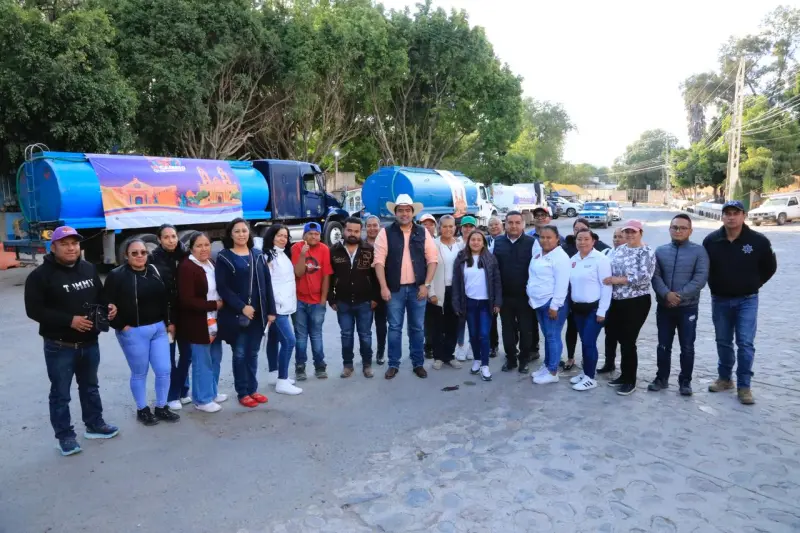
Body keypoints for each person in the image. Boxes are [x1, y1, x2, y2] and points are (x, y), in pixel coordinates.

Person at [24, 226, 120, 456]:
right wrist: (69, 321)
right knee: (61, 393)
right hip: (60, 346)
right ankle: (65, 436)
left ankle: (95, 424)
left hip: (89, 343)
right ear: (53, 247)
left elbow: (100, 295)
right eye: (65, 244)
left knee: (90, 387)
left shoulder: (88, 268)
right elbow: (34, 310)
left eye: (74, 243)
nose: (71, 248)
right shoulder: (39, 276)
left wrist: (109, 306)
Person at [703, 200, 777, 405]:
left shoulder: (758, 241)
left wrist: (753, 283)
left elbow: (769, 267)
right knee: (723, 341)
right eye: (727, 213)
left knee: (745, 343)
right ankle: (725, 379)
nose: (731, 217)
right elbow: (704, 268)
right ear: (722, 216)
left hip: (747, 300)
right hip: (720, 300)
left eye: (736, 213)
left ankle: (744, 386)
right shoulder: (711, 241)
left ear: (743, 215)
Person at [105, 239, 180, 425]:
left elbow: (166, 299)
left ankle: (162, 407)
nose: (140, 256)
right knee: (140, 372)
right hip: (133, 331)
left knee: (164, 370)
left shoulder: (154, 271)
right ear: (126, 255)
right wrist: (122, 326)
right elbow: (106, 304)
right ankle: (142, 409)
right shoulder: (116, 275)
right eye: (134, 253)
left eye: (143, 252)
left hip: (158, 329)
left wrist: (168, 322)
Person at [373, 194, 438, 379]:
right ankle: (393, 363)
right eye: (400, 210)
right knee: (394, 328)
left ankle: (418, 363)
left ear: (412, 212)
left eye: (407, 210)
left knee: (417, 328)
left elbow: (432, 260)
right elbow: (379, 262)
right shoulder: (385, 233)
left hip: (418, 288)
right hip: (394, 290)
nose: (404, 213)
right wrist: (383, 287)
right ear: (395, 212)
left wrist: (426, 285)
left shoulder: (422, 232)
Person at [216, 218, 276, 408]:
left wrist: (271, 311)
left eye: (244, 231)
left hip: (259, 315)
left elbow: (267, 285)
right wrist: (242, 306)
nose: (241, 234)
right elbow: (223, 288)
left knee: (253, 353)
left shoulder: (258, 255)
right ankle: (242, 392)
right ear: (230, 234)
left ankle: (253, 389)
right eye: (237, 231)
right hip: (237, 315)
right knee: (240, 353)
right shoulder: (224, 257)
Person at [647, 214, 709, 397]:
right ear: (669, 229)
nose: (678, 231)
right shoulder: (660, 251)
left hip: (688, 307)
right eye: (675, 227)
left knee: (687, 347)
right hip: (665, 306)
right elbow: (655, 276)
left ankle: (685, 381)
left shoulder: (699, 252)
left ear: (690, 230)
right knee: (663, 345)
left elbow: (700, 278)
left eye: (683, 228)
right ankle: (661, 378)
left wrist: (679, 296)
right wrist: (666, 294)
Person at [603, 220, 656, 396]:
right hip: (617, 300)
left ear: (640, 232)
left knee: (628, 341)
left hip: (636, 301)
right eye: (626, 232)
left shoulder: (646, 252)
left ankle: (630, 380)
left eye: (633, 232)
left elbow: (644, 277)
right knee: (619, 338)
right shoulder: (620, 249)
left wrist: (618, 280)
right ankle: (623, 375)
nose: (629, 235)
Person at [177, 232, 225, 413]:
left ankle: (212, 392)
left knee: (215, 357)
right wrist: (215, 304)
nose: (204, 249)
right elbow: (187, 300)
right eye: (199, 245)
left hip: (215, 319)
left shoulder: (210, 263)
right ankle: (202, 399)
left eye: (206, 245)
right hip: (198, 322)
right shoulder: (187, 267)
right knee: (201, 360)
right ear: (191, 248)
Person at [329, 217, 380, 378]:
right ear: (344, 230)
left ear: (361, 232)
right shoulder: (334, 250)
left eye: (356, 231)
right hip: (343, 302)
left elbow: (376, 276)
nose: (352, 234)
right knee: (346, 335)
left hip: (364, 301)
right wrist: (332, 298)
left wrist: (375, 298)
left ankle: (367, 365)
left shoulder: (369, 250)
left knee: (365, 335)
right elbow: (329, 276)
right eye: (349, 230)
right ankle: (348, 365)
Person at [149, 225, 192, 410]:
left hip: (186, 314)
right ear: (159, 239)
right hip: (167, 316)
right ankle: (172, 394)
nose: (171, 240)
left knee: (187, 354)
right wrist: (168, 321)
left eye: (173, 236)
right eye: (166, 237)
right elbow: (159, 294)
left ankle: (183, 390)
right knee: (169, 357)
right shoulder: (153, 260)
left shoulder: (185, 255)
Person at [451, 231, 502, 382]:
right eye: (473, 239)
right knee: (473, 334)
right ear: (469, 242)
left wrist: (497, 302)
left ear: (483, 242)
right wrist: (456, 303)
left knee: (484, 334)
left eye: (479, 240)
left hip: (486, 303)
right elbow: (456, 282)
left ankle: (485, 365)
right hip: (469, 302)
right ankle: (477, 360)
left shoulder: (490, 258)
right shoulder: (461, 257)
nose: (476, 242)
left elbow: (497, 282)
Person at [561, 218, 610, 371]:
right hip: (577, 309)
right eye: (579, 239)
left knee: (589, 342)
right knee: (584, 341)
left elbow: (606, 287)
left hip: (594, 310)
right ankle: (585, 373)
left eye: (586, 239)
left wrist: (602, 311)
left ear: (593, 241)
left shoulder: (600, 259)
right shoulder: (573, 260)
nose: (582, 242)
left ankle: (590, 376)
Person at [493, 211, 536, 374]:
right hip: (505, 296)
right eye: (510, 222)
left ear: (523, 224)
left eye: (517, 222)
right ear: (505, 224)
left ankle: (524, 360)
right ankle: (511, 359)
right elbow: (492, 268)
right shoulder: (497, 243)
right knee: (507, 330)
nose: (514, 226)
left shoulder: (532, 243)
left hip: (525, 297)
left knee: (526, 330)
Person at [527, 225, 571, 384]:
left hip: (552, 303)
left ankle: (553, 372)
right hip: (539, 302)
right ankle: (547, 365)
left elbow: (562, 284)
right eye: (542, 237)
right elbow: (532, 276)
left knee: (553, 336)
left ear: (557, 239)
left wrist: (555, 306)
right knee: (547, 336)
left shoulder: (560, 257)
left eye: (548, 237)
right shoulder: (538, 254)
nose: (544, 240)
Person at [264, 225, 303, 395]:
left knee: (273, 339)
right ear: (272, 236)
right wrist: (273, 305)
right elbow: (266, 284)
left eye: (285, 236)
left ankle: (275, 373)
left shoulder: (283, 254)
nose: (283, 239)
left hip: (285, 305)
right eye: (279, 235)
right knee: (289, 341)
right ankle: (282, 380)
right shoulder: (268, 256)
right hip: (276, 308)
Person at [292, 222, 333, 380]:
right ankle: (300, 367)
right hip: (299, 300)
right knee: (300, 335)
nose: (313, 236)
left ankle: (320, 365)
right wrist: (303, 254)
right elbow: (299, 273)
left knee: (316, 334)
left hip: (317, 301)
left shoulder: (324, 249)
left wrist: (323, 298)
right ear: (304, 236)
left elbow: (326, 275)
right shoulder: (297, 248)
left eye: (316, 234)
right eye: (310, 234)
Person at [428, 215, 465, 370]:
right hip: (438, 290)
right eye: (445, 226)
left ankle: (449, 355)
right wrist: (431, 292)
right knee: (437, 325)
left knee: (454, 324)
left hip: (456, 291)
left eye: (451, 226)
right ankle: (438, 357)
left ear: (455, 228)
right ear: (439, 228)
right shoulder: (433, 245)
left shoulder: (461, 245)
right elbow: (428, 269)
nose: (448, 229)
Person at [598, 228, 626, 374]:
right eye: (615, 236)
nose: (616, 239)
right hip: (608, 300)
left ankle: (625, 368)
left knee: (624, 336)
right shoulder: (606, 253)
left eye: (620, 237)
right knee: (609, 334)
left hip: (624, 300)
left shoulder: (629, 254)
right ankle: (609, 363)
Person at [454, 215, 478, 361]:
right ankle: (461, 346)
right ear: (461, 228)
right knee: (461, 321)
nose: (468, 229)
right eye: (465, 226)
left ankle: (471, 347)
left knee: (474, 321)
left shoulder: (479, 242)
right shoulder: (456, 243)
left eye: (470, 226)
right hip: (460, 287)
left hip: (474, 288)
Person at [365, 215, 387, 365]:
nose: (372, 228)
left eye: (375, 225)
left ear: (380, 227)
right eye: (369, 225)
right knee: (365, 328)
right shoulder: (360, 245)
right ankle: (367, 354)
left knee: (381, 325)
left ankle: (380, 352)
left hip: (381, 292)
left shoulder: (385, 244)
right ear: (365, 227)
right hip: (364, 293)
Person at [420, 213, 438, 359]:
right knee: (424, 320)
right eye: (424, 224)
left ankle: (435, 345)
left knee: (435, 319)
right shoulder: (416, 243)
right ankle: (428, 346)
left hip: (437, 288)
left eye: (430, 224)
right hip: (421, 287)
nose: (427, 226)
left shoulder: (438, 243)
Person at [486, 217, 504, 358]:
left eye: (496, 224)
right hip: (490, 285)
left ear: (502, 225)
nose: (494, 227)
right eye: (491, 225)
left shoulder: (506, 240)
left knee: (508, 320)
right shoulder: (484, 241)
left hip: (506, 284)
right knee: (491, 318)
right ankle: (493, 345)